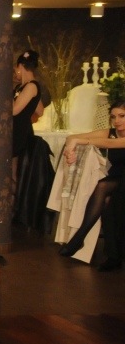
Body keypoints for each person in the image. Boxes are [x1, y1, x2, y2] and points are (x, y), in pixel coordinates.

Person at [57, 100, 125, 271]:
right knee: (107, 201)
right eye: (113, 117)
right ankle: (113, 257)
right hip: (116, 180)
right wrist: (70, 148)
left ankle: (80, 237)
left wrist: (79, 141)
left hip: (117, 182)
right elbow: (71, 137)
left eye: (122, 116)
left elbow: (108, 144)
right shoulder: (111, 132)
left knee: (103, 187)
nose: (117, 121)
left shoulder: (113, 138)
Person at [12, 50, 42, 164]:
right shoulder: (21, 87)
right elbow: (40, 110)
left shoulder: (31, 86)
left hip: (21, 132)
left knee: (17, 168)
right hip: (19, 129)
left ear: (20, 66)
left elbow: (14, 110)